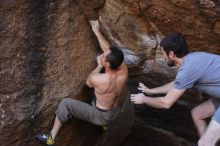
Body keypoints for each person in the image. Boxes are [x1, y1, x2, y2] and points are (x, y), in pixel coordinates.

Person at [35, 20, 128, 146]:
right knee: (103, 97)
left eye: (103, 56)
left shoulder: (100, 79)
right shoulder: (123, 70)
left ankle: (51, 137)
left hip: (100, 115)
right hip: (114, 111)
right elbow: (108, 50)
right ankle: (105, 125)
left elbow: (88, 82)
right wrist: (97, 32)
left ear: (106, 64)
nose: (102, 53)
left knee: (65, 103)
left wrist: (98, 67)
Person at [130, 33, 220, 146]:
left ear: (171, 54)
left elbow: (166, 103)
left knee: (204, 143)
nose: (163, 57)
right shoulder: (193, 59)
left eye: (163, 53)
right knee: (197, 113)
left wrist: (144, 99)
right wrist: (151, 91)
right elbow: (177, 84)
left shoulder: (187, 70)